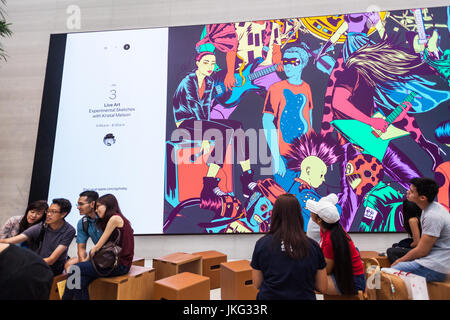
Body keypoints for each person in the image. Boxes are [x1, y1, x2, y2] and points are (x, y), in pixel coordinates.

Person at [250, 194, 327, 300]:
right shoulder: (313, 246)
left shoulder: (262, 244)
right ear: (299, 215)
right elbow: (322, 287)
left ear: (274, 215)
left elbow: (257, 284)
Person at [62, 194, 134, 300]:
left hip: (119, 265)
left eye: (98, 206)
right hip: (111, 262)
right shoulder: (112, 218)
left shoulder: (114, 218)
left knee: (75, 269)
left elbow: (97, 247)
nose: (96, 210)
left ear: (108, 206)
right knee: (80, 281)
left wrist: (84, 263)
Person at [306, 193, 366, 296]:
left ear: (320, 220)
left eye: (314, 211)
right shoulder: (330, 230)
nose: (311, 211)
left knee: (306, 284)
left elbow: (326, 271)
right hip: (345, 276)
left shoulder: (330, 239)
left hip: (354, 282)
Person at [392, 177, 450, 282]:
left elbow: (422, 250)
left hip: (436, 267)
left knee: (390, 273)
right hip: (432, 262)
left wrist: (399, 261)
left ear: (422, 198)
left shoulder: (433, 216)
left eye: (412, 191)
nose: (408, 192)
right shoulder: (429, 209)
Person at [0, 198, 75, 276]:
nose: (49, 214)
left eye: (53, 212)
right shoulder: (42, 226)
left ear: (63, 214)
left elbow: (51, 260)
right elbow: (13, 240)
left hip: (52, 268)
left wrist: (25, 264)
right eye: (48, 211)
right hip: (36, 264)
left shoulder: (69, 230)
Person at [64, 190, 103, 271]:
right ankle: (76, 284)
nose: (78, 207)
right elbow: (81, 248)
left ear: (92, 204)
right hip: (97, 254)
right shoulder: (82, 222)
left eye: (81, 204)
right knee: (69, 264)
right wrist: (83, 264)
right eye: (78, 204)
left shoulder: (105, 218)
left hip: (111, 253)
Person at [386, 199, 422, 264]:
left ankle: (401, 269)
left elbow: (417, 243)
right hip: (423, 247)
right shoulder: (420, 217)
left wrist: (406, 245)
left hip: (420, 249)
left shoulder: (412, 220)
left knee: (390, 251)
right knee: (395, 245)